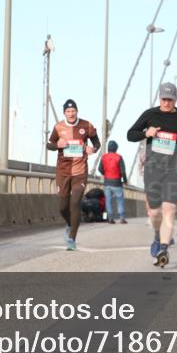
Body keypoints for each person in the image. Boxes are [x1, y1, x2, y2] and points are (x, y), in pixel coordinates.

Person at [127, 82, 177, 268]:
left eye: (170, 99)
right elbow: (130, 135)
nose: (166, 103)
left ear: (175, 99)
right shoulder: (150, 114)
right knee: (155, 212)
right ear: (160, 98)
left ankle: (164, 249)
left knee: (169, 210)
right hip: (153, 169)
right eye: (164, 99)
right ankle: (158, 236)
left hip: (174, 169)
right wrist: (145, 132)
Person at [46, 99, 100, 251]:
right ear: (64, 113)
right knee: (63, 207)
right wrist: (58, 145)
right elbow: (49, 145)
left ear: (77, 111)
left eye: (73, 111)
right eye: (68, 111)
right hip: (63, 171)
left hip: (79, 171)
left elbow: (97, 142)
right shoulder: (58, 127)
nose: (71, 114)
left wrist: (93, 149)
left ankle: (72, 239)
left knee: (75, 203)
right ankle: (70, 224)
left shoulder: (86, 125)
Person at [98, 140, 128, 224]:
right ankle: (122, 218)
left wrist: (105, 174)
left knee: (108, 200)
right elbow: (123, 171)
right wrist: (125, 181)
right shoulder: (119, 157)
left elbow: (100, 169)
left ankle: (110, 218)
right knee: (120, 200)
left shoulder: (104, 157)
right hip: (117, 182)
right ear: (116, 148)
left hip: (107, 182)